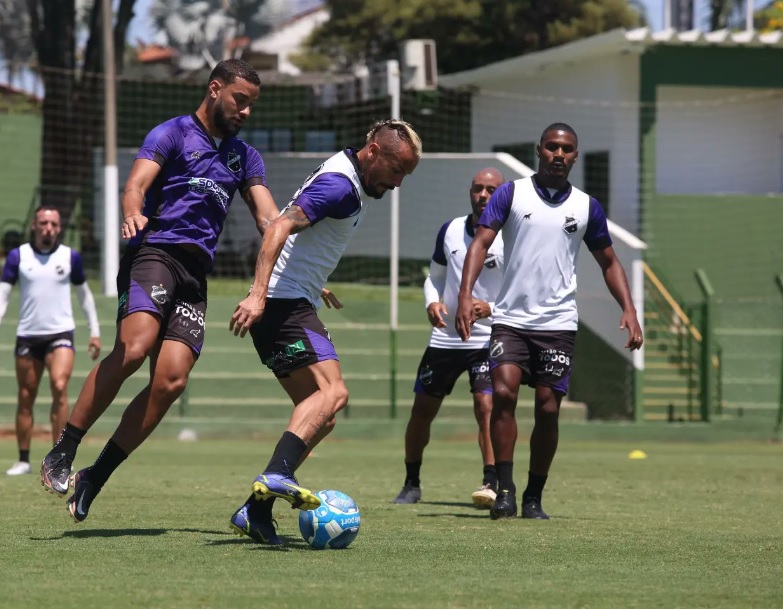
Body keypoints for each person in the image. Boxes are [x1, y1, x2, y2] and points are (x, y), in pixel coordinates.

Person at [39, 59, 280, 523]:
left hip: (194, 276)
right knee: (134, 350)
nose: (247, 111)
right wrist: (132, 212)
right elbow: (136, 187)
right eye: (240, 100)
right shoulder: (170, 133)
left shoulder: (245, 157)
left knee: (171, 381)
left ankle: (94, 476)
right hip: (154, 254)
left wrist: (297, 263)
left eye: (253, 104)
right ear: (215, 89)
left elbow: (270, 221)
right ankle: (63, 450)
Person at [227, 119, 423, 545]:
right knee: (334, 394)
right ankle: (277, 475)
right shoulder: (341, 186)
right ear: (373, 152)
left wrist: (315, 278)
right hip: (283, 306)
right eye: (396, 170)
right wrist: (259, 295)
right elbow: (278, 226)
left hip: (292, 300)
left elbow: (296, 233)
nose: (398, 183)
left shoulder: (346, 176)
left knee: (321, 416)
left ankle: (255, 510)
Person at [454, 123, 643, 520]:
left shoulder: (586, 206)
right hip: (510, 320)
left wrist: (629, 308)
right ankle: (504, 490)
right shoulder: (511, 193)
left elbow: (608, 261)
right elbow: (481, 243)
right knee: (503, 395)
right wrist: (465, 295)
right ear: (539, 150)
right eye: (552, 147)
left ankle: (534, 496)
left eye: (567, 149)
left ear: (575, 155)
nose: (559, 154)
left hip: (557, 323)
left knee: (548, 408)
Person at [393, 167, 504, 508]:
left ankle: (491, 481)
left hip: (487, 339)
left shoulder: (512, 235)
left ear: (501, 195)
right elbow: (435, 277)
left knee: (486, 407)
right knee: (422, 410)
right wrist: (432, 302)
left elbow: (523, 290)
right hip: (446, 339)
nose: (482, 195)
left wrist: (493, 308)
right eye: (477, 188)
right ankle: (411, 482)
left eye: (490, 190)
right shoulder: (452, 229)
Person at [0, 206, 101, 476]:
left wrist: (94, 331)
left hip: (61, 333)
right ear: (34, 226)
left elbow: (85, 297)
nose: (48, 228)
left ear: (59, 228)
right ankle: (23, 459)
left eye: (53, 224)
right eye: (43, 223)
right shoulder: (18, 257)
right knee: (26, 396)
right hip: (28, 335)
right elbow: (2, 296)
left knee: (60, 386)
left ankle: (58, 460)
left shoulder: (70, 257)